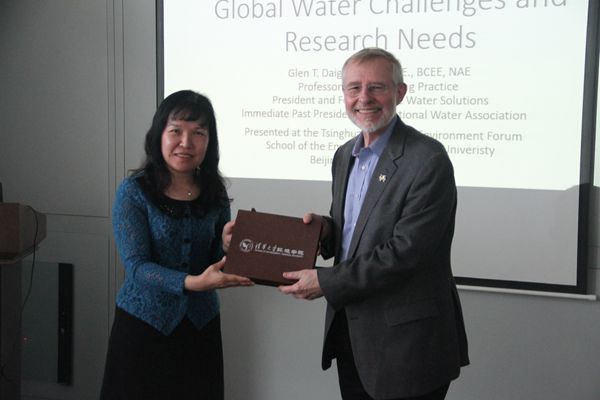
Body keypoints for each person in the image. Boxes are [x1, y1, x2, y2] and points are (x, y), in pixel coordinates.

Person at [279, 48, 469, 400]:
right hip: (353, 336)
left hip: (407, 346)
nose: (364, 98)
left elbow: (405, 252)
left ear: (400, 92)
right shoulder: (344, 155)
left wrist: (325, 281)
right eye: (354, 88)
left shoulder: (427, 159)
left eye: (376, 87)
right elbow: (357, 230)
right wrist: (325, 230)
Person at [100, 90, 253, 400]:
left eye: (198, 133)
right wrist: (193, 283)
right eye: (176, 131)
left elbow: (213, 260)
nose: (186, 142)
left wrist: (226, 247)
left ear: (209, 141)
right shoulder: (134, 191)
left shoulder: (214, 191)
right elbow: (136, 266)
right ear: (159, 134)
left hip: (200, 328)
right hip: (143, 327)